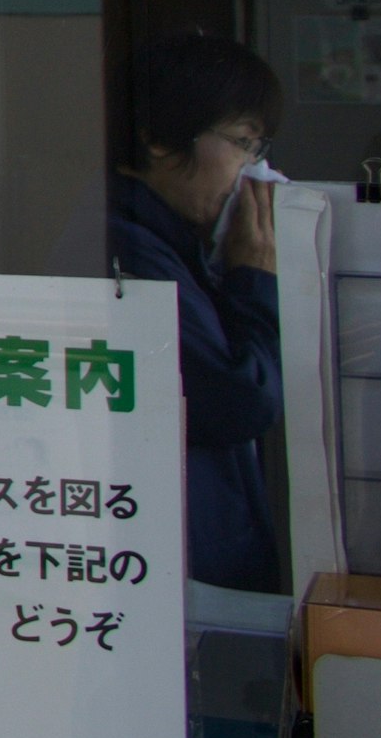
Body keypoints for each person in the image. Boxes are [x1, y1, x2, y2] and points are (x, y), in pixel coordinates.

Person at [107, 30, 284, 592]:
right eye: (241, 142)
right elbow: (236, 402)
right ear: (160, 140)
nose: (253, 171)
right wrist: (254, 277)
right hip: (173, 585)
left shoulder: (177, 242)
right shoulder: (128, 249)